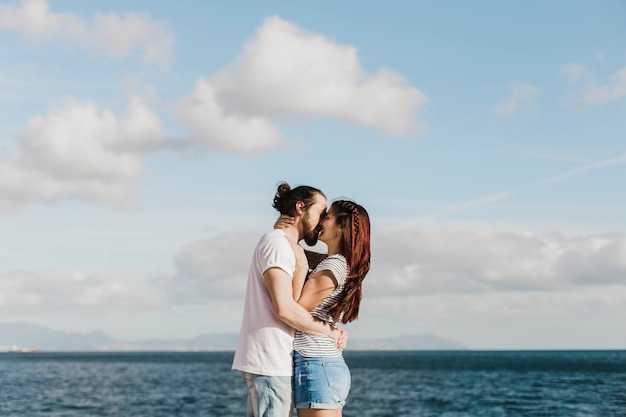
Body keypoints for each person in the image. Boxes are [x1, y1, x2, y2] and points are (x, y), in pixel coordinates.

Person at [232, 182, 346, 417]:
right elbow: (284, 308)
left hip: (277, 360)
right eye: (320, 212)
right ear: (300, 208)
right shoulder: (277, 243)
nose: (323, 220)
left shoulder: (286, 246)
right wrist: (328, 332)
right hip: (270, 359)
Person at [281, 199, 371, 416]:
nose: (321, 221)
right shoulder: (335, 262)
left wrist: (291, 245)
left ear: (342, 228)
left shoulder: (334, 265)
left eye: (327, 217)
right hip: (321, 364)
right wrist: (287, 236)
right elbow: (302, 255)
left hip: (316, 363)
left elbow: (296, 309)